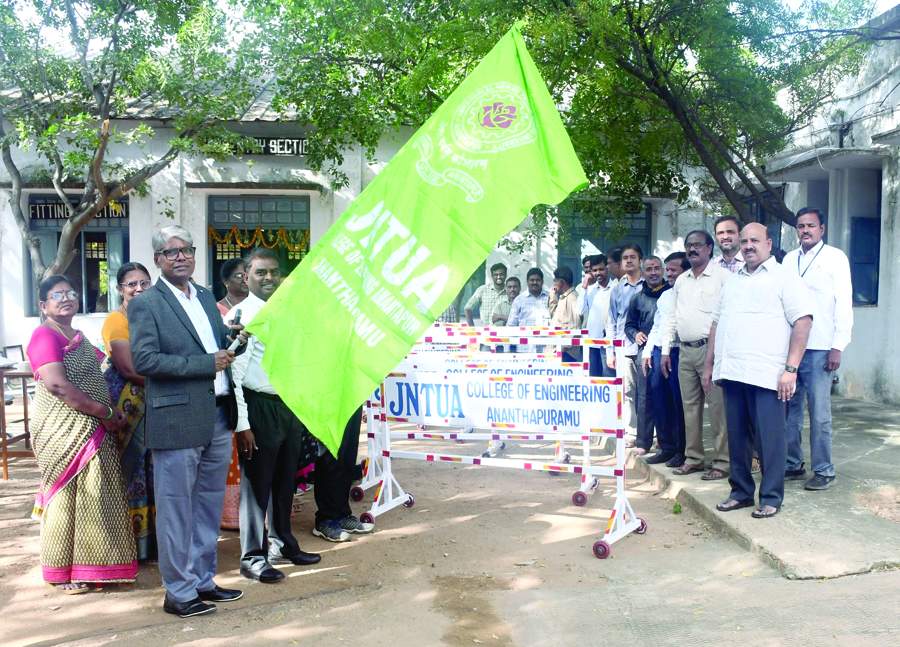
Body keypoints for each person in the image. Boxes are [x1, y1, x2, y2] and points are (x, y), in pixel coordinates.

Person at [129, 224, 245, 618]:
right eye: (170, 251)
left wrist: (231, 339)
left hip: (217, 413)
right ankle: (177, 591)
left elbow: (213, 349)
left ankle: (201, 580)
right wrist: (205, 363)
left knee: (207, 505)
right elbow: (145, 361)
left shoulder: (207, 297)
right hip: (177, 418)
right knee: (177, 506)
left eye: (186, 249)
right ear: (158, 259)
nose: (180, 256)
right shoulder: (147, 303)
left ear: (195, 255)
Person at [26, 275, 136, 594]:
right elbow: (57, 385)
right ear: (43, 305)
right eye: (57, 294)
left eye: (71, 292)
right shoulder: (44, 335)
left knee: (94, 495)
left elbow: (105, 367)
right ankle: (63, 572)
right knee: (65, 496)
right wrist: (104, 412)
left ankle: (92, 567)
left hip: (92, 427)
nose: (66, 298)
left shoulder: (77, 335)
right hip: (63, 429)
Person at [705, 223, 813, 518]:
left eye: (754, 240)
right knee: (737, 439)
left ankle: (771, 497)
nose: (748, 245)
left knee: (770, 439)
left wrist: (790, 369)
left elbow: (803, 321)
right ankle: (740, 492)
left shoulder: (784, 277)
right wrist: (709, 364)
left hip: (768, 375)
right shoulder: (732, 280)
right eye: (744, 241)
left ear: (768, 243)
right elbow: (716, 323)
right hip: (733, 371)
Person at [230, 248, 323, 582]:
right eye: (260, 273)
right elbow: (235, 374)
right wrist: (243, 424)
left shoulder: (287, 312)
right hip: (260, 406)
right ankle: (252, 557)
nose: (269, 278)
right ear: (246, 276)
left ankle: (282, 542)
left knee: (286, 481)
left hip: (288, 405)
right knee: (257, 485)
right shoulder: (243, 315)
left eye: (274, 272)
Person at [783, 207, 853, 491]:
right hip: (790, 350)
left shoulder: (835, 258)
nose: (805, 231)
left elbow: (844, 304)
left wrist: (838, 346)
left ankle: (824, 469)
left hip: (821, 347)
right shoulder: (788, 259)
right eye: (801, 226)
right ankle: (792, 463)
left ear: (822, 229)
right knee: (789, 411)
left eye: (811, 225)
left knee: (820, 413)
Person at [661, 230, 730, 480]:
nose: (692, 249)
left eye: (698, 245)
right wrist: (667, 350)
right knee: (689, 407)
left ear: (709, 248)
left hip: (711, 351)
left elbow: (727, 317)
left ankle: (722, 462)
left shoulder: (723, 277)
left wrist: (716, 355)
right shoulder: (682, 280)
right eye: (689, 245)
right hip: (685, 351)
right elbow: (672, 317)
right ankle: (694, 458)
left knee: (718, 409)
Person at [101, 262, 156, 561]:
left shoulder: (153, 315)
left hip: (156, 398)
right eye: (131, 284)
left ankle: (153, 544)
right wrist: (172, 380)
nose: (138, 289)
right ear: (120, 289)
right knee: (130, 469)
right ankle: (127, 545)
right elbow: (127, 367)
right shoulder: (116, 320)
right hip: (127, 400)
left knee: (153, 469)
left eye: (144, 283)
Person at [643, 252, 690, 466]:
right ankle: (666, 446)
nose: (669, 274)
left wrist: (665, 352)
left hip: (676, 352)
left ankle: (681, 451)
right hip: (658, 351)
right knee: (660, 402)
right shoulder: (665, 295)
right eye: (668, 269)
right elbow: (657, 326)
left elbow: (674, 326)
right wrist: (647, 352)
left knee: (677, 404)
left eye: (674, 270)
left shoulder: (688, 294)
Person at [624, 255, 668, 454]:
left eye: (657, 268)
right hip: (645, 354)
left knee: (667, 399)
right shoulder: (637, 298)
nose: (653, 273)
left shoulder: (671, 293)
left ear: (663, 270)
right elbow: (629, 325)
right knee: (645, 398)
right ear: (643, 273)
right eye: (649, 269)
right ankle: (643, 442)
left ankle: (667, 442)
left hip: (668, 351)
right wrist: (636, 334)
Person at [311, 407, 373, 542]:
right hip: (329, 398)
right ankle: (325, 519)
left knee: (348, 455)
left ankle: (342, 514)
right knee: (330, 455)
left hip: (350, 397)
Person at [606, 244, 645, 444]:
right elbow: (611, 321)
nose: (629, 261)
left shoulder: (649, 285)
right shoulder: (617, 290)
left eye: (633, 257)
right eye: (625, 258)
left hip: (646, 348)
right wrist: (610, 351)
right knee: (628, 391)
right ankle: (632, 431)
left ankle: (649, 434)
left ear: (640, 261)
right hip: (623, 347)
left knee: (647, 392)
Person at [548, 266, 581, 361]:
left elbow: (575, 328)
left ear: (561, 282)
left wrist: (561, 349)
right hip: (557, 349)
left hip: (566, 353)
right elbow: (554, 315)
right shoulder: (563, 297)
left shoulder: (572, 298)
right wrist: (553, 296)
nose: (553, 284)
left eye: (555, 281)